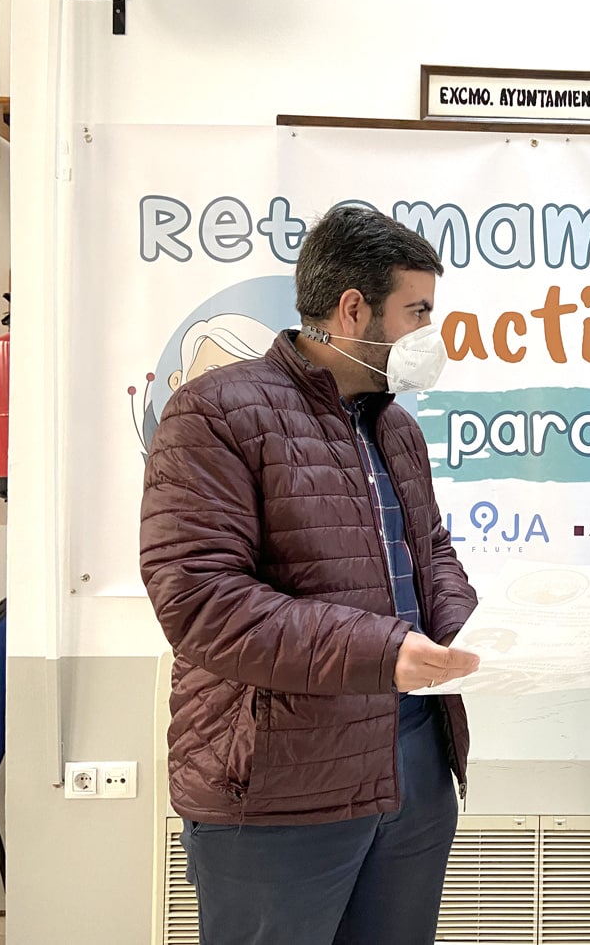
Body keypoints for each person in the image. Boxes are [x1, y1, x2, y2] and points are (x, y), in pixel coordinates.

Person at [139, 206, 481, 945]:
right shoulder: (216, 414)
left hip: (414, 770)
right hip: (280, 787)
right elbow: (199, 601)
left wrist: (470, 628)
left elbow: (431, 551)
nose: (432, 332)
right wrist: (383, 649)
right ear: (354, 309)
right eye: (418, 311)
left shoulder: (396, 426)